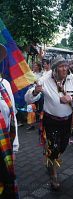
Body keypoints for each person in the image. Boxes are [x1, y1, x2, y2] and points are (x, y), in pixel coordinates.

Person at [25, 56, 73, 190]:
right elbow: (28, 97)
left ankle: (50, 156)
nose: (64, 69)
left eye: (66, 66)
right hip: (51, 121)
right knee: (54, 147)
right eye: (61, 66)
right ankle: (53, 174)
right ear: (54, 69)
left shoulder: (72, 78)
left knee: (63, 146)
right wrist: (35, 91)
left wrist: (71, 97)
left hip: (66, 121)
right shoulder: (45, 79)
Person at [0, 44, 19, 198]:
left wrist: (15, 143)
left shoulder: (4, 84)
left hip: (5, 144)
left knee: (6, 184)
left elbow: (13, 115)